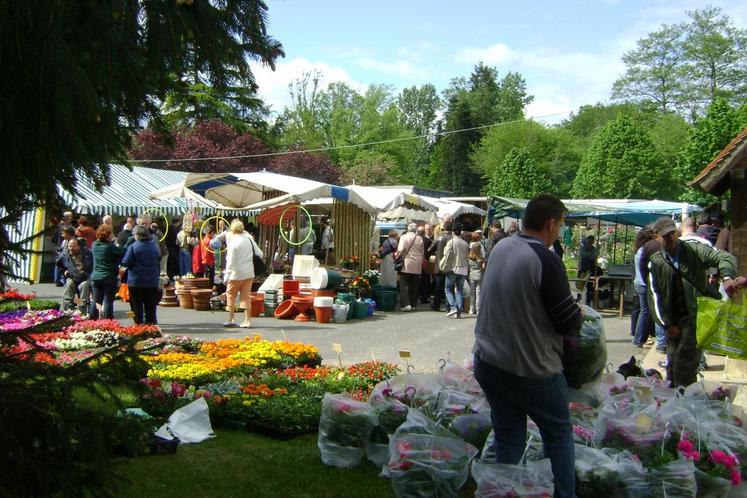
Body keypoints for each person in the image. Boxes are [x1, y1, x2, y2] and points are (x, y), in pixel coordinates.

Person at [473, 193, 584, 498]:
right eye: (560, 225)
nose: (559, 232)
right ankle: (564, 494)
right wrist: (579, 313)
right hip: (531, 370)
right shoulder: (546, 259)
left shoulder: (501, 246)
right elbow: (567, 322)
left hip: (489, 362)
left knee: (509, 437)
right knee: (559, 434)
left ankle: (501, 492)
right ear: (550, 224)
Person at [647, 217, 740, 387]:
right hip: (672, 318)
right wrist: (667, 324)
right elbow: (654, 295)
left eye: (672, 234)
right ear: (656, 237)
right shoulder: (656, 261)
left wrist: (726, 277)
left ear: (678, 232)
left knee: (685, 363)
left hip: (694, 316)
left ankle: (686, 401)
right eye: (665, 236)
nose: (669, 239)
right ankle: (675, 400)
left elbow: (724, 257)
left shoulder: (694, 251)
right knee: (672, 363)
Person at [222, 220, 262, 328]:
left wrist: (226, 276)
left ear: (232, 230)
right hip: (249, 272)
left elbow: (230, 261)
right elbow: (260, 254)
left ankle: (231, 319)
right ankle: (247, 321)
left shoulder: (233, 242)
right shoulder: (249, 239)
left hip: (236, 274)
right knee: (246, 296)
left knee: (231, 295)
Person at [122, 225, 161, 324]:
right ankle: (151, 324)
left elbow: (126, 262)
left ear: (137, 235)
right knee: (151, 306)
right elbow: (158, 258)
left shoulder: (133, 246)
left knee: (135, 305)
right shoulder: (154, 246)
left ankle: (137, 323)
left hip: (136, 281)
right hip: (152, 281)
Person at [89, 224, 125, 319]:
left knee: (96, 300)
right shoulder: (110, 247)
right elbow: (122, 252)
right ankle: (108, 321)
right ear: (108, 235)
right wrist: (116, 242)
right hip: (108, 277)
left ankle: (92, 320)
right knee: (108, 300)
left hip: (96, 276)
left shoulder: (94, 245)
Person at [631, 228, 656, 348]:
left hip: (638, 283)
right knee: (645, 312)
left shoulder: (639, 249)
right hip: (643, 284)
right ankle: (639, 339)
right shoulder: (644, 251)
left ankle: (640, 337)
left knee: (644, 311)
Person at [441, 223, 470, 318]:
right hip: (464, 268)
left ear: (453, 231)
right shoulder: (465, 243)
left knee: (448, 288)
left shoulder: (452, 241)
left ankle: (453, 307)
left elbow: (446, 253)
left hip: (454, 267)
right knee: (459, 290)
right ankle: (458, 311)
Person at [56, 237, 93, 313]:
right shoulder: (65, 254)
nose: (71, 248)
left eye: (74, 246)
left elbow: (93, 265)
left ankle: (82, 310)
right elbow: (59, 264)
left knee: (84, 286)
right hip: (72, 276)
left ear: (79, 246)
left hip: (85, 277)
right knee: (69, 286)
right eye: (70, 246)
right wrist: (64, 271)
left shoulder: (87, 253)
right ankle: (69, 310)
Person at [397, 223, 424, 312]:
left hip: (407, 263)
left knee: (404, 284)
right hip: (417, 264)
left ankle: (406, 304)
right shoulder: (419, 238)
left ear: (408, 229)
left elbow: (400, 250)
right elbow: (422, 251)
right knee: (414, 285)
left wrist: (397, 257)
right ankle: (413, 304)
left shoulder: (404, 237)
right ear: (415, 230)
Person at [429, 221, 453, 311]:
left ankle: (436, 305)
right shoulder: (453, 239)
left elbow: (430, 249)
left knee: (438, 286)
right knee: (449, 287)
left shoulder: (439, 238)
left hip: (439, 265)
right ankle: (449, 306)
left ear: (444, 228)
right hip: (451, 266)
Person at [467, 240, 484, 315]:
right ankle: (478, 309)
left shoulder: (469, 257)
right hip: (479, 276)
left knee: (472, 294)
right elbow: (483, 267)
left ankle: (471, 309)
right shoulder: (480, 258)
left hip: (471, 276)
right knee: (478, 293)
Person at [419, 224, 434, 304]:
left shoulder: (417, 239)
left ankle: (420, 295)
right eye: (426, 229)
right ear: (424, 231)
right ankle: (424, 297)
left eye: (429, 229)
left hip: (418, 262)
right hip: (425, 262)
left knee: (421, 279)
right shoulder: (427, 240)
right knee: (425, 280)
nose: (428, 230)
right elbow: (430, 252)